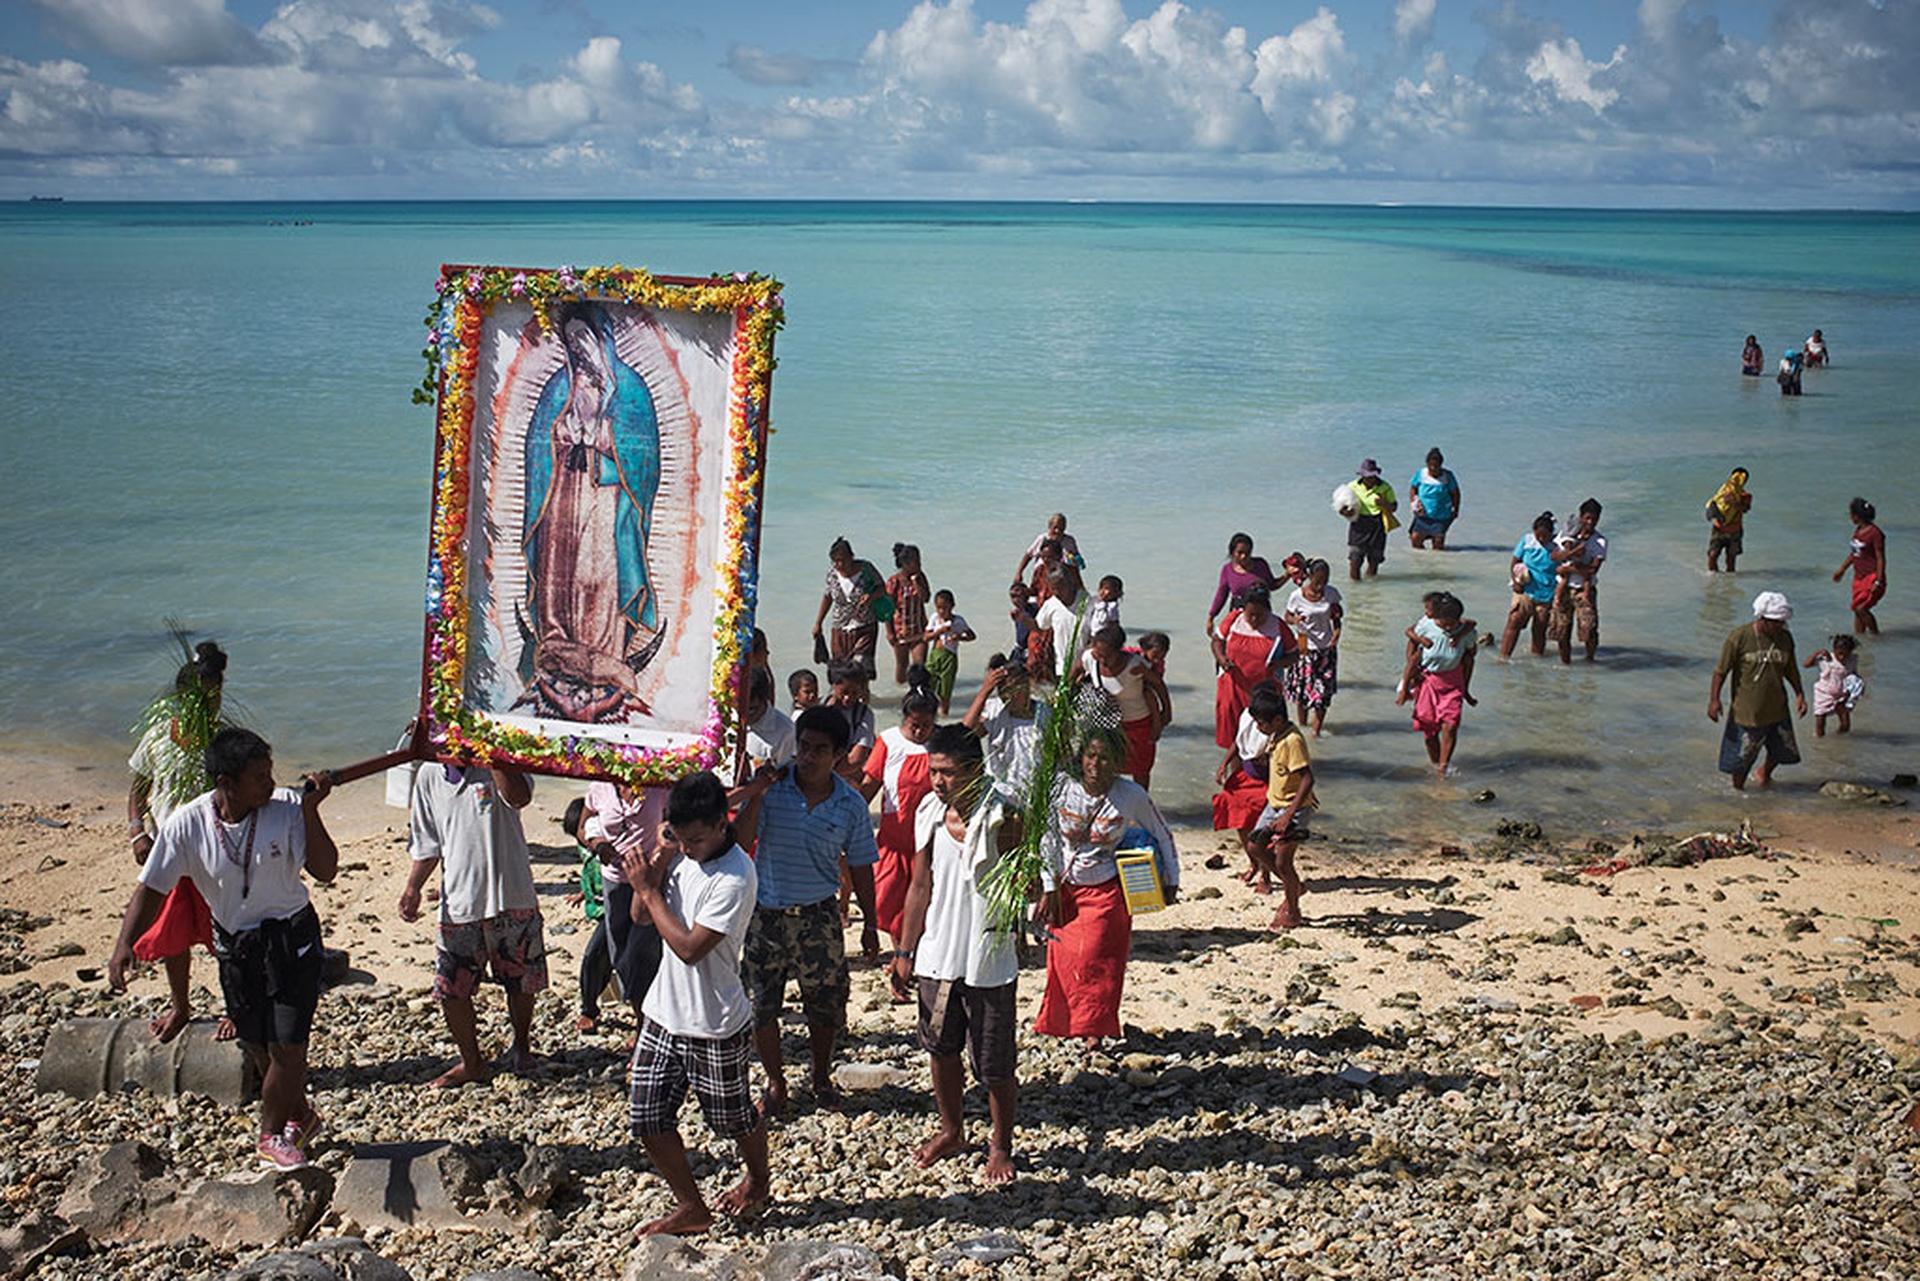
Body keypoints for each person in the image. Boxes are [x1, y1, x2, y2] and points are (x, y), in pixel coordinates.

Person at [109, 728, 338, 1172]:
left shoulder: (288, 808)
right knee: (259, 1048)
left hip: (293, 940)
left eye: (271, 773)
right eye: (259, 777)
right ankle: (301, 1116)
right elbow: (152, 889)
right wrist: (125, 944)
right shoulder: (187, 824)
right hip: (237, 947)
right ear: (226, 784)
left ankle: (270, 1136)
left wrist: (311, 810)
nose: (270, 784)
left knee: (289, 1048)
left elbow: (326, 869)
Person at [623, 771, 768, 1236]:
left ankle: (759, 1180)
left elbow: (689, 947)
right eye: (681, 838)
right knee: (646, 1118)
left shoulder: (736, 875)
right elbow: (640, 917)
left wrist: (648, 887)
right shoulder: (680, 854)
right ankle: (692, 1206)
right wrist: (661, 861)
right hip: (663, 1013)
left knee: (732, 1118)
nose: (689, 848)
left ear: (723, 825)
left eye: (697, 840)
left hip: (714, 1021)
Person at [889, 725, 1025, 1184]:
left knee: (994, 1061)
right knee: (941, 1048)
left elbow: (1026, 872)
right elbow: (919, 884)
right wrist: (905, 949)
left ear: (974, 771)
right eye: (933, 771)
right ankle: (953, 1130)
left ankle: (1001, 1144)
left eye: (947, 772)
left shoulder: (1004, 813)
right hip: (938, 953)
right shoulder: (929, 812)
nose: (937, 781)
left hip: (989, 955)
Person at [732, 706, 880, 1115]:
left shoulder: (850, 804)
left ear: (839, 754)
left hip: (820, 916)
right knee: (760, 1004)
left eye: (820, 749)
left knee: (826, 1004)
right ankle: (776, 1083)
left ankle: (819, 1076)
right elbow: (741, 843)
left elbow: (862, 865)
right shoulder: (773, 788)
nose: (808, 757)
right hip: (766, 916)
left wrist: (870, 923)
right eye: (803, 746)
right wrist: (757, 794)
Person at [519, 303, 662, 723]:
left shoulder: (631, 389)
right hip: (564, 492)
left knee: (600, 574)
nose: (578, 347)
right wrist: (562, 437)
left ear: (602, 340)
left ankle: (604, 651)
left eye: (585, 338)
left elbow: (646, 459)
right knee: (561, 572)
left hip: (607, 497)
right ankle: (559, 640)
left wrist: (602, 438)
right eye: (571, 339)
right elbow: (536, 449)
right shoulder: (557, 388)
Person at [401, 762, 545, 1088]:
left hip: (513, 893)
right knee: (451, 988)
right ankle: (471, 1061)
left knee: (520, 981)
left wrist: (491, 756)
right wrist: (413, 887)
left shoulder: (498, 763)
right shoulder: (428, 775)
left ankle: (522, 1047)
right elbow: (427, 842)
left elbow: (519, 797)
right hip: (460, 900)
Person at [1034, 735, 1178, 1050]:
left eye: (1104, 758)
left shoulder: (1130, 795)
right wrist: (1049, 885)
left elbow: (1162, 833)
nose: (1095, 765)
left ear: (1117, 763)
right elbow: (1046, 838)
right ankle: (1064, 1024)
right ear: (1081, 757)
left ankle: (1094, 1031)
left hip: (1108, 888)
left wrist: (1172, 880)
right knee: (1065, 959)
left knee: (1099, 960)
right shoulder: (1061, 788)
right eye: (1090, 756)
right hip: (1066, 888)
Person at [126, 638, 231, 1044]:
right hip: (168, 851)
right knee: (172, 932)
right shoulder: (158, 737)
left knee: (224, 931)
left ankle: (234, 1006)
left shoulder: (224, 743)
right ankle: (181, 1004)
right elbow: (139, 786)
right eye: (205, 697)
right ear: (184, 700)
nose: (212, 704)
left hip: (213, 851)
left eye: (217, 696)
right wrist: (138, 830)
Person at [860, 676, 939, 951]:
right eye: (914, 725)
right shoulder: (888, 741)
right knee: (887, 899)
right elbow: (869, 786)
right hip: (894, 838)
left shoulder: (940, 743)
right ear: (904, 718)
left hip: (930, 839)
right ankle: (899, 949)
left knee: (926, 900)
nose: (919, 732)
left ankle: (910, 953)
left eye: (926, 726)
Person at [583, 781, 667, 1029]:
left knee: (645, 953)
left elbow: (675, 822)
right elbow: (582, 826)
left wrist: (660, 859)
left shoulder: (658, 786)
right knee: (621, 956)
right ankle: (642, 1020)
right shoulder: (599, 787)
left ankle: (648, 1026)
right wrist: (598, 845)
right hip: (614, 882)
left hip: (651, 879)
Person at [1708, 591, 1807, 791]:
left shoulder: (1785, 638)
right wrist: (1714, 700)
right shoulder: (1740, 637)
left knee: (1782, 750)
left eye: (1782, 622)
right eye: (1776, 622)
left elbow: (1791, 669)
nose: (1781, 626)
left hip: (1777, 707)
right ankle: (1739, 792)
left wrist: (1800, 694)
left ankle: (1764, 773)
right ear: (1762, 619)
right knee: (1742, 758)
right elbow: (1720, 671)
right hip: (1748, 712)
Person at [1070, 625, 1173, 790]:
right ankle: (1109, 809)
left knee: (1140, 770)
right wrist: (1065, 696)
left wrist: (1165, 712)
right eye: (1099, 654)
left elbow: (1158, 685)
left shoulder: (1135, 665)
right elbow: (1075, 669)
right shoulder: (1091, 658)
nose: (1102, 660)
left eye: (1107, 656)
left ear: (1119, 651)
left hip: (1138, 724)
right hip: (1107, 725)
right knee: (1106, 767)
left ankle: (1140, 807)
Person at [1251, 695, 1316, 931]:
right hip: (1274, 804)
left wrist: (1289, 814)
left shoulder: (1293, 741)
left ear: (1278, 720)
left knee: (1283, 860)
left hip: (1293, 808)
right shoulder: (1276, 736)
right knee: (1255, 846)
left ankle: (1293, 910)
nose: (1259, 727)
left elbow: (1308, 778)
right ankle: (1294, 887)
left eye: (1262, 723)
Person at [1211, 681, 1282, 892]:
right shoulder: (1248, 717)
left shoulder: (1277, 728)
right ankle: (1253, 864)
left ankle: (1265, 876)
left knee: (1263, 830)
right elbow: (1238, 741)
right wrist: (1224, 764)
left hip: (1267, 783)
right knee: (1241, 823)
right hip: (1244, 777)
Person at [1210, 585, 1295, 749]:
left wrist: (1278, 664)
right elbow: (1217, 640)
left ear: (1268, 611)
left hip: (1264, 695)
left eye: (1260, 615)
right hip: (1232, 688)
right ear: (1244, 609)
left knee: (1262, 744)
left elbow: (1294, 654)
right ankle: (1234, 773)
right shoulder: (1234, 619)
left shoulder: (1278, 626)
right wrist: (1221, 658)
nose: (1255, 619)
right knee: (1233, 740)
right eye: (1251, 615)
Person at [1407, 593, 1477, 777]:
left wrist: (1466, 690)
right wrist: (1412, 676)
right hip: (1428, 681)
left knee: (1451, 725)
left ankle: (1443, 767)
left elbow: (1470, 658)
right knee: (1429, 731)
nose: (1447, 628)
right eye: (1443, 623)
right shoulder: (1426, 626)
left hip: (1453, 683)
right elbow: (1411, 642)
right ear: (1436, 618)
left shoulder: (1466, 632)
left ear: (1458, 620)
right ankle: (1436, 762)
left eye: (1451, 624)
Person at [562, 798, 614, 1036]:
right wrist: (583, 893)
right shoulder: (586, 847)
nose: (581, 842)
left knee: (595, 956)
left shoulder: (608, 844)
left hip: (614, 908)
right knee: (605, 957)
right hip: (599, 908)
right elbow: (589, 868)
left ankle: (589, 1009)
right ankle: (592, 1006)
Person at [964, 653, 1049, 793]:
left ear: (1028, 684)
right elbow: (964, 734)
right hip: (1001, 792)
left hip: (1037, 793)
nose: (1009, 697)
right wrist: (984, 692)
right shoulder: (994, 711)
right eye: (1003, 691)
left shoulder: (1046, 714)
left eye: (1015, 689)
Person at [1282, 559, 1343, 736]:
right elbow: (1287, 616)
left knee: (1323, 693)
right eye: (1317, 581)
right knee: (1302, 692)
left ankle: (1316, 733)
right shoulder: (1296, 596)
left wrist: (1337, 634)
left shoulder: (1332, 594)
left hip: (1326, 649)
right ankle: (1302, 727)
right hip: (1303, 646)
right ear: (1309, 577)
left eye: (1325, 581)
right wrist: (1295, 620)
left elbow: (1337, 618)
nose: (1320, 586)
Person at [812, 537, 886, 681]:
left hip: (865, 626)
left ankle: (863, 700)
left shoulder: (866, 568)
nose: (840, 564)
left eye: (843, 560)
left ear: (851, 556)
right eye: (836, 561)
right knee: (841, 673)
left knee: (861, 670)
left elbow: (882, 588)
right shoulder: (832, 574)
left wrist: (870, 597)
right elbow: (827, 597)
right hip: (840, 629)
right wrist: (818, 623)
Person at [1549, 499, 1608, 664]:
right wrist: (1569, 555)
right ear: (1581, 516)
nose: (1590, 522)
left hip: (1584, 589)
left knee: (1589, 629)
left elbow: (1593, 570)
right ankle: (1565, 664)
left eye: (1594, 519)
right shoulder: (1567, 534)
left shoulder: (1600, 541)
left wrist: (1567, 569)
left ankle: (1590, 660)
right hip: (1564, 586)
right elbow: (1553, 556)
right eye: (1587, 518)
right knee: (1562, 630)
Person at [1500, 512, 1557, 659]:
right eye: (1539, 535)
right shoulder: (1527, 541)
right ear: (1534, 532)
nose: (1542, 539)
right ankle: (1504, 658)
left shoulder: (1557, 546)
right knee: (1514, 621)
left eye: (1546, 536)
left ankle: (1536, 659)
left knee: (1539, 628)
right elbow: (1514, 562)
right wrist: (1515, 581)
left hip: (1546, 594)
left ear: (1552, 533)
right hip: (1525, 591)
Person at [1203, 533, 1280, 635]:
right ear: (1232, 552)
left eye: (1247, 553)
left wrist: (1288, 575)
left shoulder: (1260, 565)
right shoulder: (1227, 570)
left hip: (1261, 613)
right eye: (1240, 553)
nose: (1243, 556)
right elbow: (1221, 595)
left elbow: (1272, 585)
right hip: (1238, 614)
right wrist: (1210, 618)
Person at [1834, 497, 1885, 635]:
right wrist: (1842, 570)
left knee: (1861, 609)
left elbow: (1880, 558)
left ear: (1856, 516)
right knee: (1856, 610)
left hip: (1872, 576)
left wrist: (1878, 581)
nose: (1850, 517)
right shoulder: (1858, 531)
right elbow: (1854, 554)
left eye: (1851, 514)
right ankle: (1860, 641)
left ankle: (1876, 636)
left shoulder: (1875, 533)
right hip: (1859, 578)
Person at [921, 590, 976, 716]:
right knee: (928, 686)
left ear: (952, 606)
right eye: (939, 608)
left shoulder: (958, 621)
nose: (941, 611)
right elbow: (925, 637)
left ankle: (945, 714)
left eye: (944, 608)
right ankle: (929, 714)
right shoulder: (935, 618)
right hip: (935, 655)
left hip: (949, 657)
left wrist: (959, 637)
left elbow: (972, 636)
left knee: (946, 690)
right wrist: (939, 631)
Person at [1345, 459, 1399, 580]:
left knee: (1374, 561)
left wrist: (1384, 503)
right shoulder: (1352, 486)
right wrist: (1346, 512)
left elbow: (1394, 507)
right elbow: (1343, 507)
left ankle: (1371, 592)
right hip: (1358, 525)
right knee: (1355, 561)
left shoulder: (1385, 487)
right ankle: (1355, 592)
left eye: (1372, 476)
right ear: (1362, 475)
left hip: (1378, 525)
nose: (1370, 479)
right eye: (1367, 476)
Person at [885, 543, 931, 686]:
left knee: (920, 665)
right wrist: (890, 633)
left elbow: (926, 598)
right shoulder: (894, 582)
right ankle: (900, 694)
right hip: (901, 632)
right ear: (905, 564)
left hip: (919, 630)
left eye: (920, 561)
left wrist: (916, 583)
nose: (919, 564)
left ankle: (918, 692)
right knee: (902, 666)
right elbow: (887, 610)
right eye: (916, 562)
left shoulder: (920, 577)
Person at [1805, 634, 1863, 737]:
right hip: (1824, 693)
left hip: (1842, 693)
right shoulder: (1827, 659)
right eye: (1840, 653)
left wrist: (1852, 690)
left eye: (1846, 654)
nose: (1842, 657)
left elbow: (1853, 675)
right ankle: (1820, 742)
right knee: (1820, 721)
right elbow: (1806, 664)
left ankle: (1838, 739)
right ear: (1834, 649)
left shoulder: (1852, 660)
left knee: (1845, 723)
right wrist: (1817, 653)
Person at [741, 666, 796, 775]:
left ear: (764, 700)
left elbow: (786, 772)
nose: (745, 715)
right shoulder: (727, 718)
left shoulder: (785, 730)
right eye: (741, 708)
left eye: (752, 709)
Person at [1030, 569, 1082, 684]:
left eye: (1060, 587)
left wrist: (1082, 664)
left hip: (1087, 670)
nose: (1057, 592)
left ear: (1071, 582)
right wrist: (1022, 618)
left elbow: (1096, 638)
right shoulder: (1051, 604)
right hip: (1062, 669)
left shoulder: (1088, 602)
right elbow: (1039, 627)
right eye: (1053, 589)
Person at [1406, 448, 1462, 550]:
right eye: (1430, 466)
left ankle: (1437, 563)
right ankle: (1422, 562)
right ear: (1427, 464)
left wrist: (1456, 509)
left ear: (1441, 465)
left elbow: (1456, 493)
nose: (1433, 468)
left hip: (1441, 515)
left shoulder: (1447, 476)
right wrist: (1414, 502)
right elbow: (1413, 488)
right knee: (1415, 539)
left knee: (1438, 543)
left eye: (1436, 466)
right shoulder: (1421, 474)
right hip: (1423, 514)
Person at [1706, 468, 1752, 573]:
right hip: (1719, 529)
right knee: (1713, 555)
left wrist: (1733, 502)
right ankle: (1713, 581)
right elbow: (1713, 502)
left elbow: (1745, 509)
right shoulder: (1723, 492)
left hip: (1735, 531)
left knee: (1731, 559)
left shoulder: (1746, 496)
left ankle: (1729, 584)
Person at [1014, 513, 1080, 582]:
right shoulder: (1042, 539)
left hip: (1063, 575)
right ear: (1049, 526)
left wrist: (1076, 560)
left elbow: (1077, 557)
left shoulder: (1069, 541)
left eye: (1061, 528)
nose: (1057, 531)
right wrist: (1019, 573)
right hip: (1042, 574)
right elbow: (1028, 555)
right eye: (1055, 527)